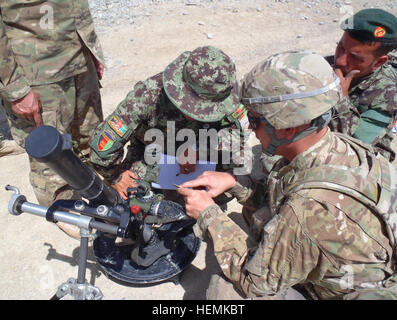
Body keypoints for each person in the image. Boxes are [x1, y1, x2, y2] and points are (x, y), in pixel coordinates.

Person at [177, 51, 397, 300]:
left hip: (339, 291)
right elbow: (282, 197)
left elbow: (255, 282)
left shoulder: (308, 209)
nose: (249, 126)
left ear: (289, 127)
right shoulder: (339, 146)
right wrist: (236, 183)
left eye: (254, 119)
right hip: (348, 261)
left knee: (224, 292)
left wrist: (209, 215)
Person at [0, 1, 105, 239]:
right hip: (36, 72)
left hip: (79, 59)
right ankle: (63, 205)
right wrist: (15, 87)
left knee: (91, 135)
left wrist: (91, 49)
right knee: (51, 151)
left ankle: (99, 190)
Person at [89, 46, 250, 201]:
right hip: (152, 154)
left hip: (202, 152)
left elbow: (239, 134)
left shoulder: (224, 92)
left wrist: (197, 149)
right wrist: (116, 177)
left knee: (239, 176)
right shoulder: (148, 95)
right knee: (123, 202)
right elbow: (102, 151)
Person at [327, 8, 397, 162]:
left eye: (354, 57)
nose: (339, 61)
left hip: (361, 151)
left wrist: (340, 98)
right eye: (340, 47)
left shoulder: (388, 94)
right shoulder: (327, 65)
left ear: (378, 62)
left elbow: (356, 144)